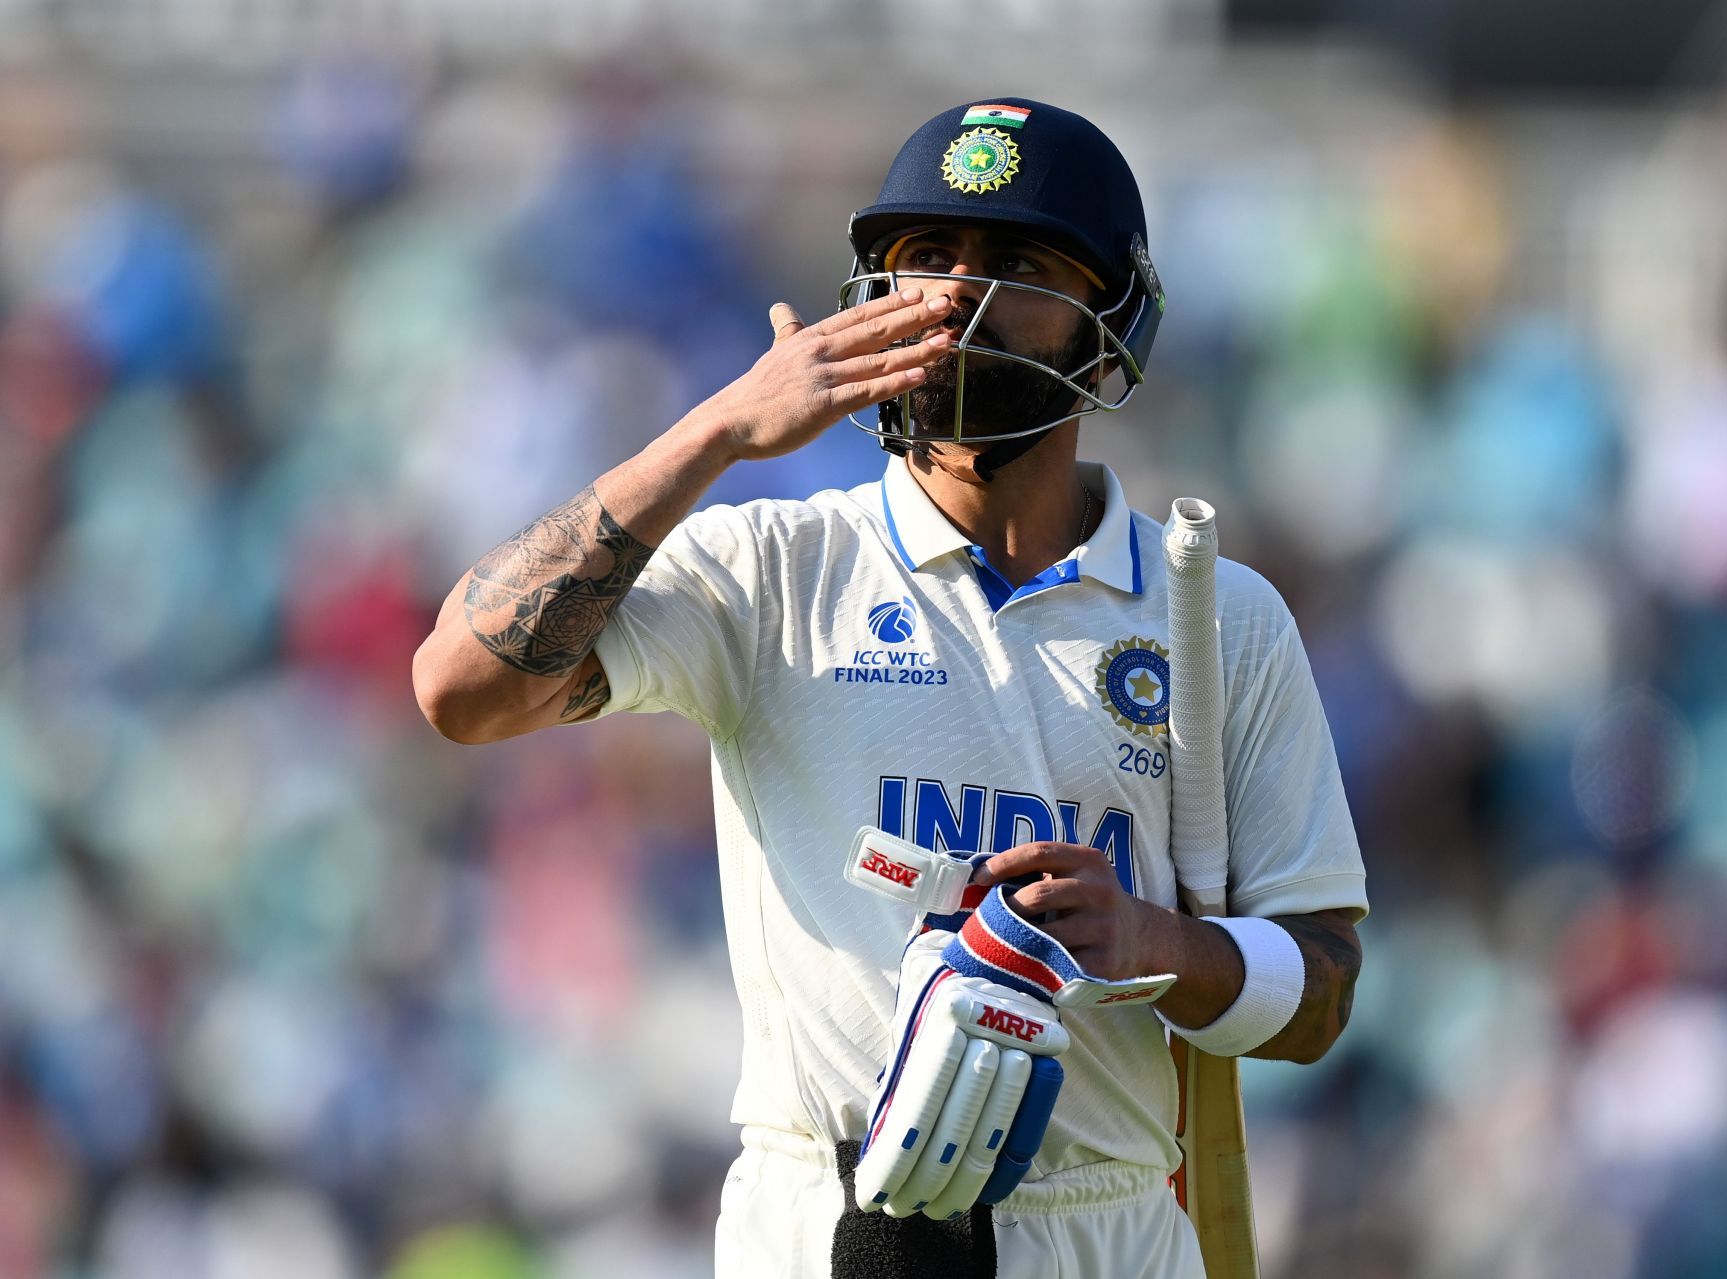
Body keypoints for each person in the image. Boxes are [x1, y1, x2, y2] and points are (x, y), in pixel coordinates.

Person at [413, 97, 1366, 1279]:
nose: (956, 298)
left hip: (1103, 1226)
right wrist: (713, 432)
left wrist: (1151, 939)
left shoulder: (1219, 616)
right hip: (824, 1217)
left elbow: (1322, 992)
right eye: (927, 261)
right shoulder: (773, 566)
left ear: (1112, 324)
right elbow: (462, 687)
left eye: (1018, 264)